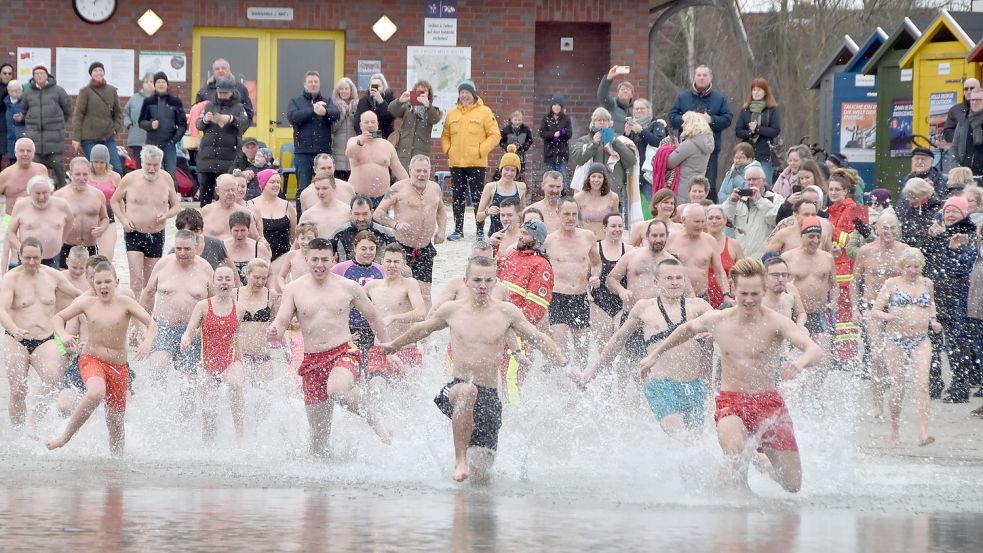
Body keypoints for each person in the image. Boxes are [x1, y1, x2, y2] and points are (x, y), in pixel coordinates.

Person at [639, 258, 822, 492]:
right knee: (735, 451)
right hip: (732, 403)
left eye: (755, 294)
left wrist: (799, 362)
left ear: (764, 290)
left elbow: (814, 349)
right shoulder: (718, 320)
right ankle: (736, 509)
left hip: (769, 404)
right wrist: (656, 352)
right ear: (734, 289)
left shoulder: (777, 322)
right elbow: (687, 329)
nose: (748, 300)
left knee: (792, 485)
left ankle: (762, 463)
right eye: (743, 293)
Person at [380, 255, 565, 483]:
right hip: (457, 388)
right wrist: (393, 346)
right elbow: (423, 328)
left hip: (489, 397)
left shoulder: (506, 312)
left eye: (488, 280)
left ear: (495, 282)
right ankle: (460, 460)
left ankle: (472, 509)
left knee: (481, 478)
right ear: (466, 281)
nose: (482, 286)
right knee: (468, 392)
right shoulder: (452, 310)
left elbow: (538, 337)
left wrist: (565, 365)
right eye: (477, 280)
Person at [267, 238, 391, 455]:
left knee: (337, 389)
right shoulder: (294, 289)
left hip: (343, 351)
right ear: (306, 260)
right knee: (318, 437)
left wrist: (388, 348)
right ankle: (325, 475)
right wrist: (274, 330)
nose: (319, 264)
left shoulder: (349, 287)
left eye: (325, 259)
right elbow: (282, 320)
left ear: (334, 259)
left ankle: (373, 416)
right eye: (314, 259)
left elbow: (374, 317)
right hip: (312, 360)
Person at [579, 259, 714, 434]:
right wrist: (591, 373)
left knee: (696, 442)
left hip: (693, 386)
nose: (674, 282)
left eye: (679, 278)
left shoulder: (699, 306)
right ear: (656, 282)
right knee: (679, 435)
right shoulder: (644, 307)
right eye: (669, 278)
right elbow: (618, 339)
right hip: (661, 386)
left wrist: (714, 332)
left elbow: (726, 325)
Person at [45, 261, 153, 454]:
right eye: (99, 282)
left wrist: (146, 343)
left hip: (119, 367)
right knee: (95, 393)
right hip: (91, 359)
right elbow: (57, 318)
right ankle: (64, 438)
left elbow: (152, 324)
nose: (103, 286)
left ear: (116, 282)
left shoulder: (126, 303)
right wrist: (63, 335)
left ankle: (116, 464)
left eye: (107, 282)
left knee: (116, 424)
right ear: (92, 284)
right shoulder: (86, 303)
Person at [0, 238, 81, 427]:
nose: (31, 262)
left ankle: (34, 423)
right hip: (16, 338)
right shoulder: (11, 278)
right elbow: (2, 309)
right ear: (19, 255)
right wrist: (12, 327)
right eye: (27, 257)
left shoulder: (52, 275)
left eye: (36, 258)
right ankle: (18, 431)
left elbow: (79, 295)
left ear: (42, 256)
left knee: (54, 381)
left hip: (46, 339)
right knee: (18, 389)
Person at [870, 249, 941, 446]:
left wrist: (934, 321)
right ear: (901, 267)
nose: (913, 270)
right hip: (896, 339)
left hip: (921, 339)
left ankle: (923, 432)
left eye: (916, 266)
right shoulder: (891, 284)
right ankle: (894, 427)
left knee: (922, 384)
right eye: (909, 267)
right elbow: (875, 311)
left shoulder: (927, 283)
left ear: (921, 266)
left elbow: (931, 304)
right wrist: (889, 316)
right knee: (898, 386)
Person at [850, 213, 909, 418]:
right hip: (871, 306)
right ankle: (877, 403)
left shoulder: (906, 252)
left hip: (897, 309)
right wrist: (855, 309)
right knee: (876, 354)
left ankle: (894, 397)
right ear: (876, 229)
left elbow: (915, 281)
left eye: (893, 228)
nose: (889, 232)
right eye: (885, 227)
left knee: (894, 357)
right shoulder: (866, 251)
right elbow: (855, 281)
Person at [180, 266, 246, 442]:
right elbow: (190, 330)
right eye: (220, 279)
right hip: (207, 363)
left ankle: (240, 437)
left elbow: (237, 337)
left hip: (231, 360)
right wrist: (186, 339)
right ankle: (208, 444)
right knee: (209, 410)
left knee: (236, 384)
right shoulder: (203, 305)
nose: (224, 282)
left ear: (233, 283)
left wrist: (241, 361)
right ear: (213, 282)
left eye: (227, 279)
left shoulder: (239, 308)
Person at [373, 155, 446, 304]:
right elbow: (378, 213)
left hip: (425, 247)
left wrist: (442, 230)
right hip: (402, 247)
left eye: (425, 171)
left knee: (425, 292)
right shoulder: (397, 188)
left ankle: (423, 326)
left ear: (430, 170)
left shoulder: (435, 188)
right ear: (410, 170)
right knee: (400, 291)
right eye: (418, 171)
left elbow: (441, 210)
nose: (421, 175)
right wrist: (395, 225)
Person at [110, 145, 181, 294]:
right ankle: (135, 315)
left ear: (160, 163)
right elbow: (114, 201)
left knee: (150, 284)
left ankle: (147, 315)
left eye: (155, 165)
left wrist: (166, 215)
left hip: (156, 233)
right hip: (134, 232)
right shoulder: (130, 179)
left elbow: (176, 206)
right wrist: (123, 219)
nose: (152, 169)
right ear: (142, 162)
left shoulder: (166, 178)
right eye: (148, 165)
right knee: (136, 282)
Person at [928, 196, 979, 403]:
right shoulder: (937, 230)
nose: (950, 214)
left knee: (957, 344)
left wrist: (948, 245)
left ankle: (960, 388)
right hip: (935, 294)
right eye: (947, 210)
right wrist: (934, 238)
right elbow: (926, 258)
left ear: (964, 214)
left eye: (955, 211)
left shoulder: (968, 234)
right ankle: (934, 383)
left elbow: (959, 268)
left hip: (958, 296)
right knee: (932, 342)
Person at [542, 197, 601, 368]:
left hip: (580, 297)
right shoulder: (549, 241)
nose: (570, 218)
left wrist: (595, 276)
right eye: (566, 214)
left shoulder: (588, 237)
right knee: (561, 349)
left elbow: (596, 263)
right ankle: (562, 386)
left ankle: (580, 386)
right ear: (558, 213)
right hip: (558, 297)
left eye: (574, 214)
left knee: (582, 350)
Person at [442, 79, 501, 241]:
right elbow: (445, 135)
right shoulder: (452, 113)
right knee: (457, 197)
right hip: (456, 163)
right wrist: (448, 150)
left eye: (467, 92)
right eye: (462, 92)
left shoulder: (485, 112)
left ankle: (480, 230)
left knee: (478, 197)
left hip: (477, 163)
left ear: (473, 94)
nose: (464, 95)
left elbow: (495, 135)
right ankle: (458, 230)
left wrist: (481, 150)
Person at [363, 243, 427, 383]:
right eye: (389, 261)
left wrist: (394, 317)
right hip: (380, 348)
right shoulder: (371, 286)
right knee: (376, 385)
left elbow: (421, 313)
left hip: (405, 348)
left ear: (404, 264)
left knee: (409, 396)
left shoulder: (409, 284)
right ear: (382, 262)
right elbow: (346, 306)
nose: (392, 265)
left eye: (396, 262)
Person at [668, 65, 734, 199]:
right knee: (685, 183)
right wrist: (687, 119)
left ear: (710, 77)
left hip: (709, 150)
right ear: (694, 77)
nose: (702, 78)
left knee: (708, 184)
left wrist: (711, 119)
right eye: (699, 75)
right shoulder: (683, 97)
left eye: (705, 75)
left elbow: (728, 119)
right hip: (686, 148)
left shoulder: (719, 98)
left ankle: (708, 212)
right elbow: (672, 117)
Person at [783, 216, 838, 361]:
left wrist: (834, 301)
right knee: (791, 356)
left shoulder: (827, 258)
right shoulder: (788, 257)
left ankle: (816, 385)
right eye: (811, 236)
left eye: (818, 237)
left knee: (823, 356)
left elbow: (834, 284)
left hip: (818, 312)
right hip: (794, 314)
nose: (815, 241)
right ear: (802, 236)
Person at [288, 71, 340, 211]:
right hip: (302, 152)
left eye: (316, 82)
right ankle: (302, 220)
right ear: (305, 84)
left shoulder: (327, 101)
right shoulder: (296, 102)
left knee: (326, 186)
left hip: (323, 152)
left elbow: (336, 114)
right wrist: (313, 110)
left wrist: (325, 113)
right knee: (303, 189)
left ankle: (325, 215)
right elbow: (292, 117)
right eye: (310, 82)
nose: (313, 84)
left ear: (319, 84)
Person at [195, 79, 248, 206]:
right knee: (205, 193)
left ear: (232, 93)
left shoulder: (239, 107)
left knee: (226, 191)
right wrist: (204, 120)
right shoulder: (209, 105)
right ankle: (206, 219)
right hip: (208, 157)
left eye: (225, 93)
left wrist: (231, 119)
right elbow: (198, 125)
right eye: (220, 93)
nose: (222, 95)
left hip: (228, 157)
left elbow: (244, 123)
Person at [3, 175, 73, 270]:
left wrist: (61, 241)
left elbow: (70, 222)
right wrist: (21, 249)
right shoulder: (21, 205)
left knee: (52, 285)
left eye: (45, 193)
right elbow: (10, 232)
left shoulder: (62, 205)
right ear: (30, 193)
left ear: (51, 191)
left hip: (52, 258)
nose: (41, 197)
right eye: (37, 193)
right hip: (28, 259)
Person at [569, 107, 637, 201]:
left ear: (609, 123)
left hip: (613, 193)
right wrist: (594, 144)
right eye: (598, 120)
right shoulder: (584, 140)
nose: (602, 122)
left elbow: (631, 161)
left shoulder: (619, 140)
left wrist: (614, 142)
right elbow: (578, 159)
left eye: (605, 120)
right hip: (590, 193)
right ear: (593, 122)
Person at [53, 157, 109, 266]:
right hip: (67, 245)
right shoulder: (59, 196)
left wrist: (102, 228)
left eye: (85, 174)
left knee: (89, 279)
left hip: (90, 246)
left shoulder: (98, 195)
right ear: (70, 174)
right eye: (77, 174)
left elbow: (105, 218)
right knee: (66, 279)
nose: (81, 178)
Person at [22, 66, 71, 188]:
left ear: (47, 75)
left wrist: (58, 124)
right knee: (34, 168)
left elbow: (67, 110)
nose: (39, 76)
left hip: (54, 137)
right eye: (36, 73)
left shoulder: (58, 90)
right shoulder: (28, 92)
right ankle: (34, 191)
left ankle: (62, 191)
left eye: (42, 73)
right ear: (33, 76)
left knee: (58, 166)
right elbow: (24, 111)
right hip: (35, 138)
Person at [665, 204, 729, 299]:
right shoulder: (670, 239)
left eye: (703, 221)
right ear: (683, 220)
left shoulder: (710, 241)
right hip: (674, 296)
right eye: (696, 222)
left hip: (701, 296)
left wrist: (726, 294)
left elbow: (719, 271)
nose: (700, 226)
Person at [346, 111, 408, 209]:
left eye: (373, 122)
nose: (370, 125)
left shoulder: (386, 145)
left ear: (377, 124)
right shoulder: (354, 141)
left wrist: (409, 186)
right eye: (366, 122)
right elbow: (349, 153)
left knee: (381, 223)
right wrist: (361, 142)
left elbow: (398, 169)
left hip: (383, 197)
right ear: (361, 125)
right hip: (358, 195)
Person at [70, 61, 123, 174]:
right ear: (91, 74)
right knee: (95, 169)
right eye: (95, 71)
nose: (98, 73)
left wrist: (115, 129)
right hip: (89, 138)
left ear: (104, 72)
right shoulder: (85, 91)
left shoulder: (112, 91)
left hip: (108, 137)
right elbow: (78, 114)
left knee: (116, 169)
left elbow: (118, 113)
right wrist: (76, 138)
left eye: (100, 70)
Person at [234, 258, 280, 387]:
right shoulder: (234, 294)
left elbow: (277, 324)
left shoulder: (271, 295)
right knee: (240, 392)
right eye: (256, 277)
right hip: (240, 355)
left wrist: (287, 350)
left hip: (262, 354)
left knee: (264, 395)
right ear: (247, 274)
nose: (260, 282)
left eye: (264, 278)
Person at [722, 166, 783, 259]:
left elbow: (776, 220)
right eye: (748, 179)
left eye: (754, 179)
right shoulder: (739, 199)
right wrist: (731, 202)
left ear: (764, 180)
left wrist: (759, 200)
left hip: (764, 258)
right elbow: (724, 220)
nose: (751, 182)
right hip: (742, 258)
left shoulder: (776, 199)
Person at [591, 213, 633, 336]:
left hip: (623, 303)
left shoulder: (630, 250)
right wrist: (591, 282)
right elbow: (584, 275)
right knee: (604, 348)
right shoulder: (595, 249)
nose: (617, 229)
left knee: (621, 345)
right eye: (613, 226)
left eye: (620, 226)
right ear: (604, 228)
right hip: (599, 303)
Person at [138, 73, 185, 180]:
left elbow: (183, 124)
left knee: (170, 176)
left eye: (163, 82)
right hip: (152, 144)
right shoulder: (148, 101)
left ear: (167, 84)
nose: (161, 84)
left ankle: (170, 196)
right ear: (155, 85)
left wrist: (174, 140)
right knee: (151, 173)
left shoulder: (175, 102)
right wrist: (150, 125)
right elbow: (141, 122)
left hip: (169, 144)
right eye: (158, 82)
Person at [249, 169, 296, 275]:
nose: (276, 185)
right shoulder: (251, 205)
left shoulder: (288, 206)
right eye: (272, 182)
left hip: (283, 257)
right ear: (263, 184)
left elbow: (293, 236)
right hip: (259, 258)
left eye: (278, 182)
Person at [389, 80, 442, 174]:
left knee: (419, 180)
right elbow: (392, 110)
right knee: (401, 182)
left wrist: (428, 106)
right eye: (418, 91)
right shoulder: (407, 108)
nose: (420, 94)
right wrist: (400, 100)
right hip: (403, 154)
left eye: (423, 91)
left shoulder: (432, 110)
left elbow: (435, 119)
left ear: (429, 94)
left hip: (421, 155)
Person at [735, 78, 781, 184]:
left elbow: (775, 130)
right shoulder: (745, 110)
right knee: (745, 183)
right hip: (747, 154)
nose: (756, 93)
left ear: (765, 92)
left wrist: (758, 129)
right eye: (754, 90)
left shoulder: (772, 110)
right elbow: (738, 131)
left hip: (765, 154)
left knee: (764, 184)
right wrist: (750, 132)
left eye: (759, 90)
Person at [476, 145, 528, 236]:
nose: (509, 173)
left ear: (517, 172)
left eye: (513, 170)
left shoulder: (521, 187)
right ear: (501, 169)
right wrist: (487, 212)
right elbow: (478, 217)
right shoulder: (490, 187)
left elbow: (523, 213)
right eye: (506, 169)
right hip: (496, 235)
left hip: (515, 235)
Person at [665, 111, 714, 202]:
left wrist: (664, 151)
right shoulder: (705, 143)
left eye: (685, 122)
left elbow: (669, 163)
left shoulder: (689, 144)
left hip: (683, 189)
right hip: (696, 187)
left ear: (692, 124)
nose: (682, 125)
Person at [328, 195, 394, 263]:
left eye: (365, 214)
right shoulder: (339, 233)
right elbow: (324, 255)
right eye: (357, 214)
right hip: (344, 273)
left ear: (371, 213)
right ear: (351, 213)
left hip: (377, 273)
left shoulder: (386, 233)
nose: (361, 219)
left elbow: (398, 257)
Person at [85, 144, 120, 259]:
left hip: (108, 219)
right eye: (96, 162)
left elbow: (120, 200)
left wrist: (125, 218)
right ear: (91, 162)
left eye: (102, 162)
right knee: (87, 259)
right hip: (88, 219)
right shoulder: (85, 176)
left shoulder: (115, 177)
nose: (99, 165)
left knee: (106, 257)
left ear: (107, 163)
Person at [705, 204, 744, 308]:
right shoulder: (698, 243)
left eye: (718, 218)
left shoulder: (734, 245)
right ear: (705, 221)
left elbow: (744, 273)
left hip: (728, 299)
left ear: (725, 220)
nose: (714, 221)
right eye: (710, 218)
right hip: (704, 298)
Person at [201, 173, 261, 241]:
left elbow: (257, 239)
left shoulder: (244, 212)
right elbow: (196, 237)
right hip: (213, 250)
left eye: (233, 190)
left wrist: (265, 245)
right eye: (227, 190)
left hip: (237, 250)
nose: (231, 193)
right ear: (217, 190)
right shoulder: (207, 210)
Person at [0, 137, 48, 218]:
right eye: (21, 150)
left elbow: (49, 196)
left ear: (33, 153)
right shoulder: (5, 174)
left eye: (29, 151)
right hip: (11, 218)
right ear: (15, 153)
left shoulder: (41, 169)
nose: (25, 154)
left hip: (37, 218)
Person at [626, 99, 667, 194]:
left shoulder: (657, 124)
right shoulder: (632, 126)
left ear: (648, 110)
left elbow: (658, 142)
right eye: (637, 109)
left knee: (650, 206)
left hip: (648, 173)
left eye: (642, 108)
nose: (639, 111)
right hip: (633, 173)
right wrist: (627, 134)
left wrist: (641, 131)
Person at [299, 171, 352, 240]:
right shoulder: (308, 215)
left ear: (334, 187)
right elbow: (298, 242)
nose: (321, 192)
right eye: (317, 189)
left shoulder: (347, 211)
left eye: (324, 188)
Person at [573, 163, 619, 240]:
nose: (596, 180)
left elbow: (616, 222)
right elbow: (574, 222)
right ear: (588, 178)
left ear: (604, 179)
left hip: (605, 241)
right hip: (585, 241)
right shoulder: (579, 197)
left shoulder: (613, 197)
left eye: (600, 177)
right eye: (593, 176)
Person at [225, 211, 272, 285]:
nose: (239, 234)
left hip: (255, 292)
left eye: (243, 230)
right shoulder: (223, 247)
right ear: (230, 230)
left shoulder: (259, 248)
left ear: (248, 230)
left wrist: (268, 294)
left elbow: (269, 275)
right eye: (236, 231)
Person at [538, 95, 573, 189]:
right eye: (554, 105)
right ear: (551, 106)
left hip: (562, 154)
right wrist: (553, 134)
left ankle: (562, 196)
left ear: (562, 107)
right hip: (549, 154)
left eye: (559, 105)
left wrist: (562, 133)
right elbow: (542, 133)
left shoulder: (566, 118)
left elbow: (569, 133)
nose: (556, 107)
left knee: (562, 179)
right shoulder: (546, 118)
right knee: (549, 179)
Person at [761, 254, 806, 325]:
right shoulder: (757, 295)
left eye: (784, 275)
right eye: (776, 275)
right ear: (765, 277)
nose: (781, 279)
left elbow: (801, 313)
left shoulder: (791, 290)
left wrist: (800, 326)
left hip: (786, 333)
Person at [330, 77, 359, 180]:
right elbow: (333, 128)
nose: (344, 91)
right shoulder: (333, 105)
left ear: (351, 90)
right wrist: (342, 114)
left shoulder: (358, 105)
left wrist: (351, 113)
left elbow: (358, 127)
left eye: (346, 88)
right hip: (338, 150)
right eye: (341, 89)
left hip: (354, 150)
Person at [124, 73, 154, 168]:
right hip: (137, 137)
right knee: (139, 167)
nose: (149, 84)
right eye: (146, 81)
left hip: (154, 139)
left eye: (151, 81)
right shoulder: (134, 99)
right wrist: (129, 124)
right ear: (143, 84)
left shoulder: (159, 98)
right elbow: (126, 113)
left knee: (153, 165)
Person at [354, 73, 396, 138]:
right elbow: (357, 122)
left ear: (383, 87)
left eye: (378, 86)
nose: (375, 89)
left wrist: (381, 102)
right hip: (367, 138)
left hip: (385, 138)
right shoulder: (364, 101)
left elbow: (391, 117)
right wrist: (365, 136)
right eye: (372, 86)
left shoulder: (389, 99)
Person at [942, 77, 979, 144]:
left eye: (972, 88)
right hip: (962, 152)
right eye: (966, 89)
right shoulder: (954, 110)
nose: (969, 91)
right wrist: (964, 138)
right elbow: (947, 132)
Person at [499, 110, 534, 178]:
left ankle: (519, 182)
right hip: (509, 154)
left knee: (520, 172)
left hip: (521, 154)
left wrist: (524, 147)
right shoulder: (506, 130)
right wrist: (507, 147)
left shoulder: (525, 129)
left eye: (519, 120)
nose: (517, 122)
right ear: (511, 120)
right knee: (508, 169)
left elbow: (529, 140)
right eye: (515, 120)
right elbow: (501, 141)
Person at [4, 80, 27, 165]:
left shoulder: (26, 103)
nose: (14, 93)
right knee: (12, 162)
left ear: (21, 91)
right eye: (11, 91)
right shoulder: (5, 103)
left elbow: (32, 117)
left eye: (16, 91)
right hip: (10, 137)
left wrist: (22, 118)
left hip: (22, 136)